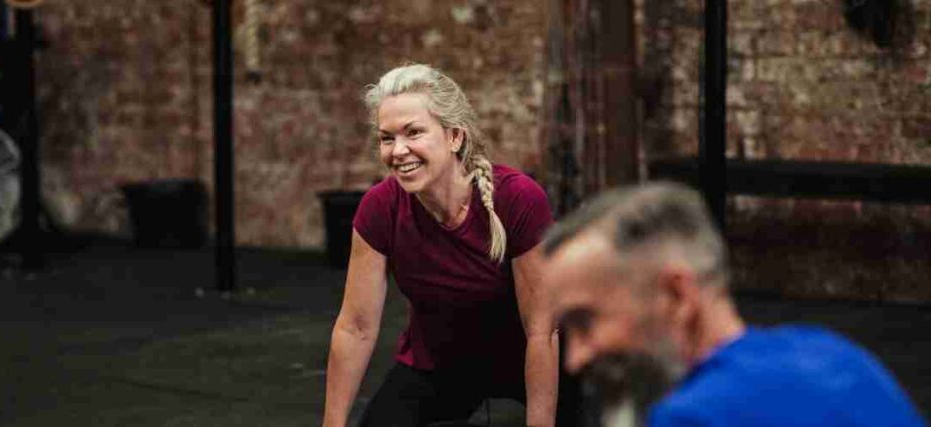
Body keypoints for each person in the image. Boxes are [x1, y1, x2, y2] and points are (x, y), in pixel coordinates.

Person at [540, 182, 927, 427]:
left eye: (585, 322)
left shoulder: (694, 417)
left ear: (678, 297)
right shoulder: (838, 356)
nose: (575, 359)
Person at [322, 64, 561, 427]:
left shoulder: (518, 199)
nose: (398, 150)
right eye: (387, 138)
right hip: (442, 359)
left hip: (527, 352)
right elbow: (355, 326)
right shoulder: (379, 208)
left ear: (454, 137)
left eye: (413, 132)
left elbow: (541, 330)